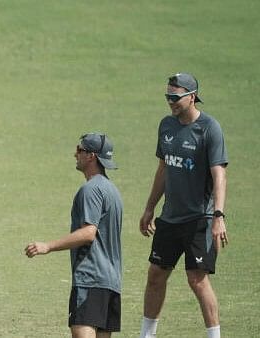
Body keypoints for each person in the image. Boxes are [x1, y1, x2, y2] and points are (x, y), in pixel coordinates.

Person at [138, 73, 228, 338]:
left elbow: (219, 174)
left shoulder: (209, 129)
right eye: (168, 96)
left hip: (200, 218)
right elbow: (163, 169)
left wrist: (218, 215)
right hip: (170, 218)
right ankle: (147, 335)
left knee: (197, 279)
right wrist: (149, 207)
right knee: (155, 274)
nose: (170, 102)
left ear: (192, 96)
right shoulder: (166, 126)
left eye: (175, 97)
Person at [25, 133, 123, 338]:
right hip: (111, 282)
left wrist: (48, 246)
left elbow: (89, 233)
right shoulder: (112, 191)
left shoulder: (90, 190)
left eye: (80, 150)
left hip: (90, 279)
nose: (75, 154)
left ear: (91, 156)